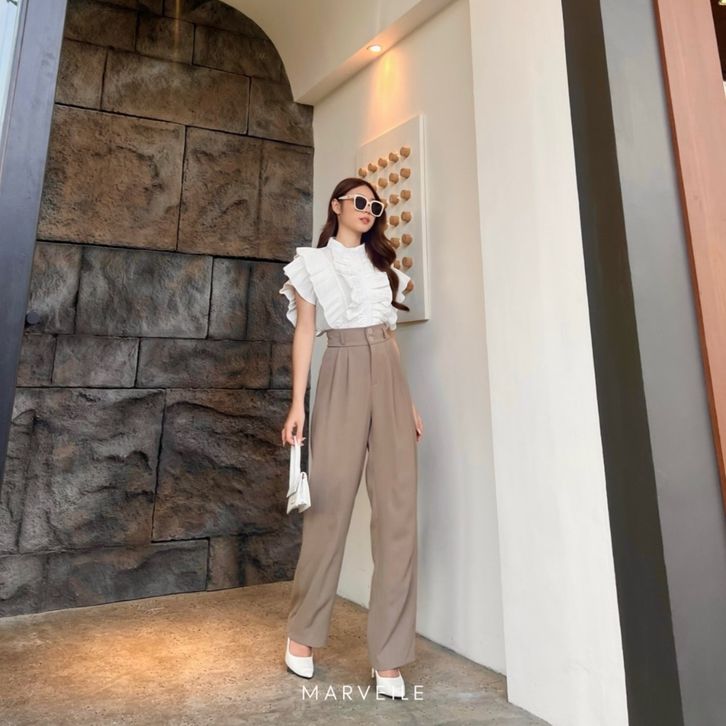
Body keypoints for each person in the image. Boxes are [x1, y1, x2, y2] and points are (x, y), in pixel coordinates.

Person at [278, 177, 423, 699]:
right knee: (329, 505)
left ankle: (390, 658)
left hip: (388, 378)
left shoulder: (385, 270)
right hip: (340, 367)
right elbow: (305, 332)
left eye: (375, 205)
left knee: (398, 516)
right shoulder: (312, 264)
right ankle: (302, 634)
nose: (368, 209)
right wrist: (298, 403)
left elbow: (390, 340)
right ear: (337, 205)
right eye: (360, 201)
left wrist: (406, 403)